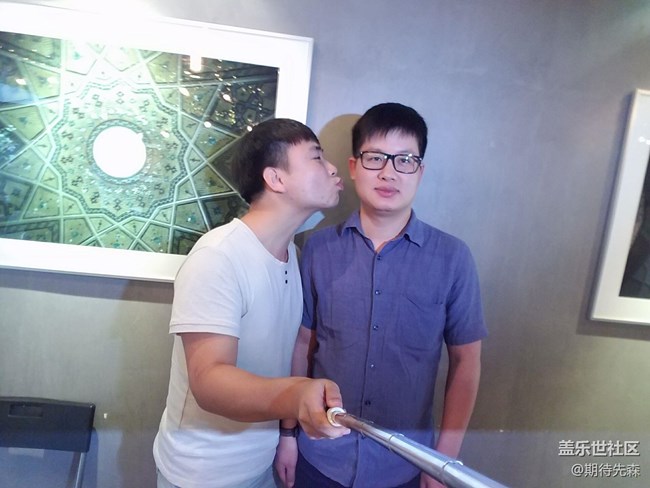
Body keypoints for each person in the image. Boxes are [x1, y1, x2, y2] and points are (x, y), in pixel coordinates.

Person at [275, 103, 487, 488]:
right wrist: (287, 435)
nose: (389, 172)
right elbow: (302, 346)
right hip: (320, 456)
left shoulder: (453, 258)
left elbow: (466, 363)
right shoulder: (317, 248)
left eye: (405, 160)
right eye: (375, 158)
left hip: (405, 464)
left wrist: (443, 462)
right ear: (354, 166)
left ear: (420, 171)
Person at [153, 118, 350, 488]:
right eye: (316, 157)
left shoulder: (292, 255)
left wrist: (286, 435)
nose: (332, 168)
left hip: (260, 463)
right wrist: (296, 395)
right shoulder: (218, 256)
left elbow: (282, 355)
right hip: (202, 475)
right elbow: (210, 381)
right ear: (275, 179)